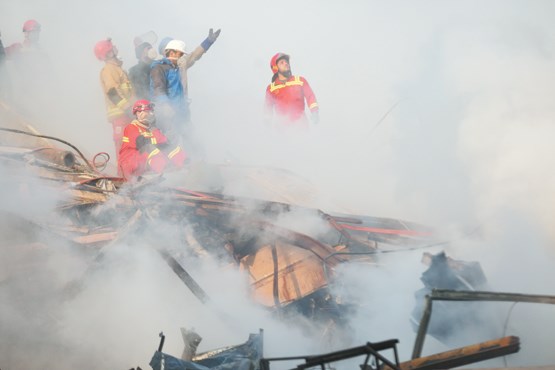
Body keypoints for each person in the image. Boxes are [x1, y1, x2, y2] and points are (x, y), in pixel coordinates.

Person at [149, 28, 221, 140]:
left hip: (182, 110)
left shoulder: (180, 64)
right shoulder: (159, 67)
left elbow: (194, 55)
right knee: (171, 142)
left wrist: (208, 42)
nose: (181, 55)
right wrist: (166, 106)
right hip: (168, 113)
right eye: (179, 52)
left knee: (191, 139)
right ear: (167, 50)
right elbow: (158, 88)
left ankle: (196, 156)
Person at [118, 99, 187, 180]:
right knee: (148, 148)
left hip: (143, 163)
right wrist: (159, 144)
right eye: (147, 112)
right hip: (130, 164)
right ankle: (165, 171)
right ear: (138, 113)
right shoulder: (131, 128)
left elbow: (164, 142)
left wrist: (168, 142)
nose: (151, 114)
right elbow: (141, 142)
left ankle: (185, 164)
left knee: (169, 147)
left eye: (151, 112)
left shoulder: (152, 129)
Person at [94, 38, 134, 162]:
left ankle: (134, 173)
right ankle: (125, 176)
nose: (116, 48)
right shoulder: (109, 70)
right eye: (112, 47)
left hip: (127, 114)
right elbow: (112, 92)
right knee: (123, 143)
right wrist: (127, 107)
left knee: (132, 143)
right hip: (120, 115)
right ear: (109, 52)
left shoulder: (117, 69)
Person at [264, 52, 319, 128]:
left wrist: (314, 111)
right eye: (282, 62)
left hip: (301, 126)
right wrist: (267, 124)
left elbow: (310, 96)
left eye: (286, 62)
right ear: (275, 68)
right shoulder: (271, 88)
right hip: (281, 130)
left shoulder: (300, 81)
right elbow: (268, 108)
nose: (286, 64)